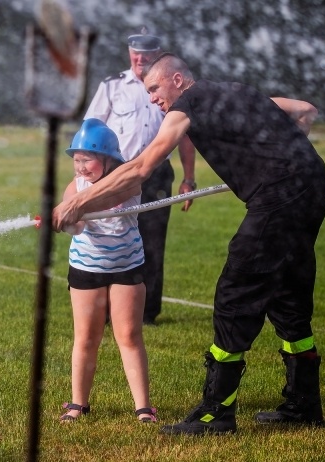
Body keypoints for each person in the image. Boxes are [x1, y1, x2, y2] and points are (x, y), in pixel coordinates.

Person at [52, 54, 325, 435]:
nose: (151, 99)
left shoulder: (187, 105)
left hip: (278, 199)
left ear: (178, 80)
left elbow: (140, 169)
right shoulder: (235, 92)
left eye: (154, 88)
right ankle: (304, 404)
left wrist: (78, 202)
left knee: (235, 295)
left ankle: (216, 413)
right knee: (288, 293)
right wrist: (281, 155)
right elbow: (304, 111)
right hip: (313, 189)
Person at [83, 27, 197, 325]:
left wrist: (189, 177)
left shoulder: (169, 89)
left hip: (157, 176)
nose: (139, 57)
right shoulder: (112, 86)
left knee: (152, 243)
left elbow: (185, 136)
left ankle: (146, 313)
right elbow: (91, 131)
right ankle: (106, 308)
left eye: (146, 53)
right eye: (134, 52)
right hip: (117, 173)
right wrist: (87, 175)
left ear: (157, 55)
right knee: (110, 237)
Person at [58, 118, 157, 424]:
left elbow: (108, 196)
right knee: (86, 338)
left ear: (108, 158)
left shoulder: (128, 181)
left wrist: (77, 205)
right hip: (87, 268)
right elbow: (78, 227)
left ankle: (143, 408)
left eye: (87, 159)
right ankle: (78, 404)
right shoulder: (74, 186)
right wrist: (67, 220)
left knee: (128, 335)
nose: (81, 167)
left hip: (127, 265)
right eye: (76, 160)